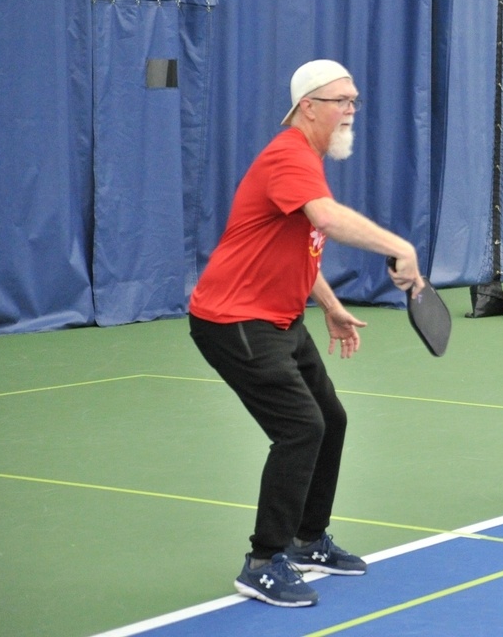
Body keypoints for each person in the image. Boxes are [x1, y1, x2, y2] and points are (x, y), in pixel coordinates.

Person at [188, 59, 424, 607]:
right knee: (301, 429)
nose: (350, 111)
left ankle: (307, 538)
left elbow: (300, 245)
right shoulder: (289, 155)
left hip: (281, 317)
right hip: (234, 320)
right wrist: (400, 247)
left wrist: (333, 306)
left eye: (354, 101)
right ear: (307, 107)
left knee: (331, 421)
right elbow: (330, 218)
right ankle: (263, 561)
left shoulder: (308, 159)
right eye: (341, 100)